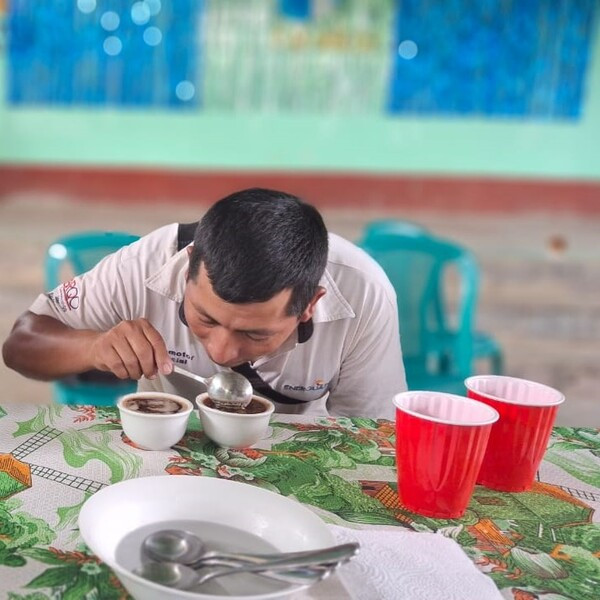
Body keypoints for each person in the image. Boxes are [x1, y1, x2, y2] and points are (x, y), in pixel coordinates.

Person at [2, 188, 406, 418]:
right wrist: (94, 347)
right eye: (205, 318)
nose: (221, 352)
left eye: (254, 333)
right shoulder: (148, 263)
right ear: (189, 264)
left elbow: (369, 432)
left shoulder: (362, 293)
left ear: (310, 305)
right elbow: (21, 344)